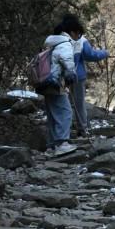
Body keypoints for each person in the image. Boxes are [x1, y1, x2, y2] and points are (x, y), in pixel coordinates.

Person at [60, 14, 109, 136]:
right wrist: (105, 53)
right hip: (77, 76)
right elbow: (90, 55)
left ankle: (67, 128)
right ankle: (82, 128)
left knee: (65, 103)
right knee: (79, 103)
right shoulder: (81, 40)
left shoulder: (59, 38)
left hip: (61, 77)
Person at [42, 26, 78, 155]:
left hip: (45, 82)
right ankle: (62, 144)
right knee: (65, 112)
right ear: (72, 32)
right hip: (56, 83)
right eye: (77, 34)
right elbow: (67, 61)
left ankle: (51, 147)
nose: (77, 38)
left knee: (52, 114)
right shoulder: (64, 43)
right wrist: (71, 76)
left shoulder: (50, 43)